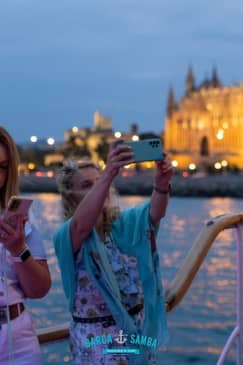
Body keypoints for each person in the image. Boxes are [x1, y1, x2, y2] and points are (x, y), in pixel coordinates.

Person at [54, 139, 173, 365]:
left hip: (135, 333)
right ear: (70, 196)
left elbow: (153, 215)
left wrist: (162, 182)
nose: (99, 188)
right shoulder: (67, 235)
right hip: (96, 341)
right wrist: (109, 173)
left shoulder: (121, 226)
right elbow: (81, 225)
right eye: (87, 185)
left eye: (99, 182)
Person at [0, 126, 51, 365]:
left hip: (17, 341)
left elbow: (38, 290)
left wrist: (19, 250)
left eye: (2, 168)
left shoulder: (18, 219)